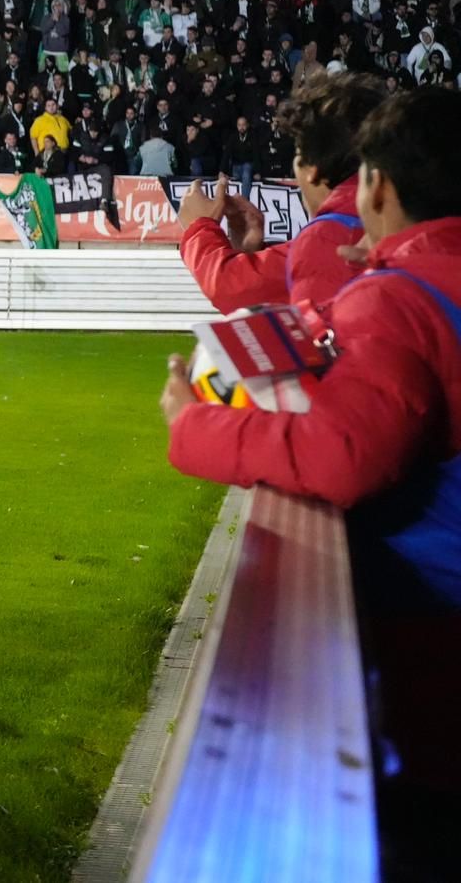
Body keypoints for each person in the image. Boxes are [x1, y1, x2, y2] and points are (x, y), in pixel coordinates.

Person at [160, 87, 461, 877]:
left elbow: (345, 454)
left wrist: (191, 422)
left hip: (433, 655)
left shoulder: (395, 301)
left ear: (377, 187)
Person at [177, 74, 384, 314]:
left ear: (311, 170)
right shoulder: (392, 210)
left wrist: (199, 228)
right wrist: (252, 253)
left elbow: (228, 286)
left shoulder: (332, 236)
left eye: (296, 155)